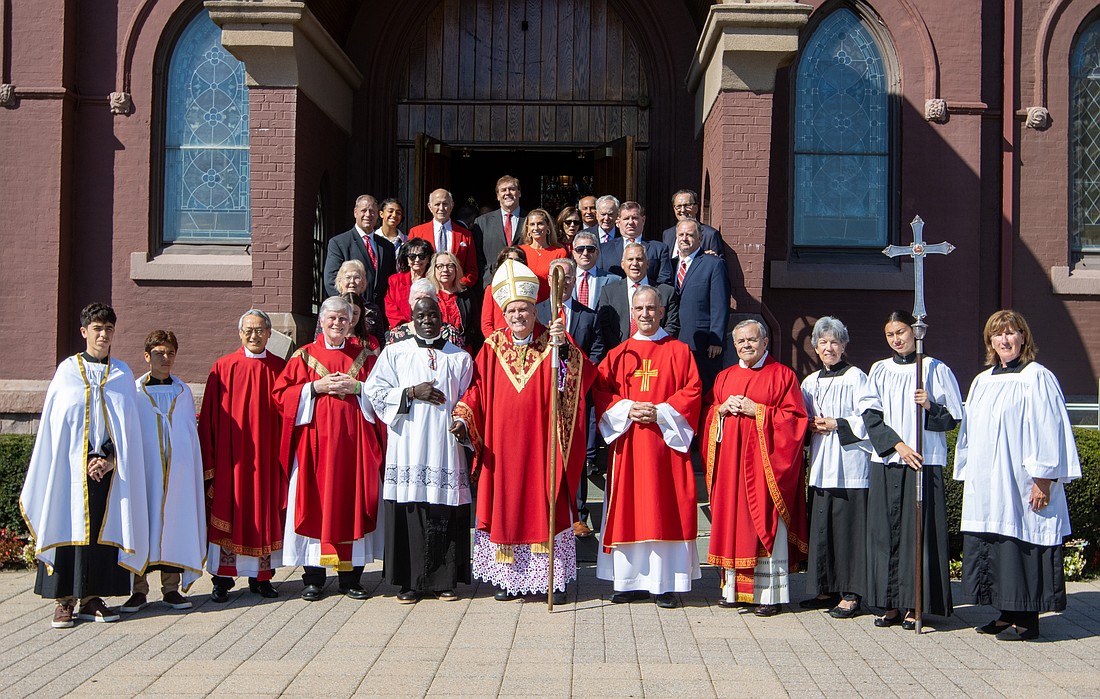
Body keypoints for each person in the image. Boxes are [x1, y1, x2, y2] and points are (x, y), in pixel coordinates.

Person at [451, 260, 596, 603]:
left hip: (543, 443)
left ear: (535, 310)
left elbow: (581, 380)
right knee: (507, 503)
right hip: (503, 447)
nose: (518, 315)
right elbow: (478, 389)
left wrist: (565, 354)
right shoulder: (492, 347)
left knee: (545, 501)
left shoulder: (554, 340)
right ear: (504, 312)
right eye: (512, 310)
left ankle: (552, 580)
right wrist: (463, 414)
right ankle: (509, 578)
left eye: (525, 309)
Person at [21, 303, 149, 628]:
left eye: (108, 329)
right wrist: (82, 458)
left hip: (107, 472)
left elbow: (127, 430)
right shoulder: (66, 372)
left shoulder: (121, 375)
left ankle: (93, 598)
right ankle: (64, 600)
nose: (103, 334)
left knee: (101, 533)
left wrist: (108, 459)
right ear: (84, 332)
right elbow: (58, 425)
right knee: (68, 527)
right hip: (68, 471)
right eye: (97, 329)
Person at [955, 310, 1080, 640]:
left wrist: (1044, 478)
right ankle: (1004, 611)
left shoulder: (1037, 377)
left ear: (1024, 337)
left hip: (1023, 480)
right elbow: (970, 433)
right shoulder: (982, 381)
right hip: (989, 484)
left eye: (1011, 333)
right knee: (996, 543)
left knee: (1023, 541)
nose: (1004, 340)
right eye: (997, 335)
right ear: (990, 342)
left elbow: (1051, 428)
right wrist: (970, 474)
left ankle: (1027, 620)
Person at [593, 286, 702, 608]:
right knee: (630, 509)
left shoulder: (680, 352)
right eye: (639, 309)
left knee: (663, 508)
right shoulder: (618, 354)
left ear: (662, 311)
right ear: (632, 311)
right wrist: (627, 408)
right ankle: (628, 582)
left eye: (651, 309)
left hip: (665, 448)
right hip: (630, 446)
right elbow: (601, 391)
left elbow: (693, 391)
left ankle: (664, 584)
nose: (645, 314)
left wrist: (661, 411)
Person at [273, 296, 385, 602]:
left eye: (343, 319)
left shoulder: (365, 356)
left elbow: (381, 392)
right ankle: (313, 578)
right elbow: (281, 396)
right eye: (332, 318)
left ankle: (350, 578)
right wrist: (313, 388)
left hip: (355, 449)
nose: (337, 323)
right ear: (321, 321)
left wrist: (358, 388)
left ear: (351, 323)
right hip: (315, 449)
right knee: (314, 504)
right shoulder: (304, 356)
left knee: (352, 504)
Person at [365, 296, 474, 604]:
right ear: (411, 320)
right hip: (408, 446)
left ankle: (444, 580)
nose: (427, 320)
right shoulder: (394, 353)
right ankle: (409, 582)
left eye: (433, 315)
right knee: (411, 508)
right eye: (421, 315)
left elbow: (471, 397)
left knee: (443, 509)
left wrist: (464, 422)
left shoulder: (459, 357)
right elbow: (374, 391)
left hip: (445, 446)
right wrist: (412, 392)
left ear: (443, 318)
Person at [865, 310, 963, 630]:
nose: (897, 339)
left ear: (916, 331)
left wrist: (930, 406)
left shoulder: (934, 369)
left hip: (923, 463)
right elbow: (869, 415)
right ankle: (890, 603)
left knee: (916, 535)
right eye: (890, 334)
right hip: (890, 461)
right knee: (886, 535)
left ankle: (915, 604)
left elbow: (953, 418)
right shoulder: (879, 370)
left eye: (902, 332)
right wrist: (898, 446)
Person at [703, 320, 808, 616]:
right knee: (733, 523)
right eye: (740, 341)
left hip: (764, 469)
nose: (746, 345)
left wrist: (758, 411)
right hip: (731, 469)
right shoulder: (724, 377)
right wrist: (720, 411)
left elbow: (795, 420)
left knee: (763, 523)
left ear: (765, 342)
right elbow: (709, 414)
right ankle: (732, 590)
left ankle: (768, 595)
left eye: (752, 340)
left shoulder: (782, 375)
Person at [198, 309, 287, 602]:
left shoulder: (279, 368)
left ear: (269, 333)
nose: (254, 335)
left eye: (260, 330)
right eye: (248, 330)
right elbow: (209, 418)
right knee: (229, 512)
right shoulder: (223, 368)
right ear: (239, 333)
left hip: (266, 459)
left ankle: (261, 578)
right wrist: (209, 461)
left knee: (262, 514)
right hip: (231, 460)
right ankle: (222, 580)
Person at [799, 317, 880, 619]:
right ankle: (826, 587)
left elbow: (871, 417)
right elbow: (801, 419)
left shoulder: (857, 377)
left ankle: (852, 592)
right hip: (822, 463)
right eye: (823, 342)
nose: (828, 347)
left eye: (834, 342)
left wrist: (838, 423)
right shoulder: (810, 382)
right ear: (815, 347)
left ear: (844, 346)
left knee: (849, 531)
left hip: (850, 465)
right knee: (824, 529)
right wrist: (810, 426)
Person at [123, 330, 205, 614]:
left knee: (173, 525)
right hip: (144, 475)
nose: (166, 358)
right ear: (147, 356)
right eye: (159, 353)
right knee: (143, 524)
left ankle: (170, 589)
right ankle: (138, 590)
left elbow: (187, 435)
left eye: (170, 352)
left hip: (176, 477)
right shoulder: (134, 392)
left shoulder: (182, 392)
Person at [536, 258, 605, 537]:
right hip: (542, 396)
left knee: (575, 453)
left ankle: (578, 514)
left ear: (575, 280)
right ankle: (545, 509)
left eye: (568, 277)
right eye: (557, 276)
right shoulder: (537, 312)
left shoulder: (588, 315)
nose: (562, 282)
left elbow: (597, 353)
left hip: (576, 396)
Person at [670, 218, 730, 388]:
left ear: (700, 238)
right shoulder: (670, 264)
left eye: (690, 234)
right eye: (681, 234)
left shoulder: (714, 264)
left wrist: (716, 340)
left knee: (703, 389)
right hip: (674, 340)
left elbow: (720, 304)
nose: (684, 238)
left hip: (703, 344)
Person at [596, 242, 679, 349]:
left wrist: (655, 347)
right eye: (630, 259)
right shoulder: (609, 292)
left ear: (648, 264)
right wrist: (622, 349)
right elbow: (604, 326)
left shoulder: (666, 292)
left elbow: (672, 325)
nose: (634, 263)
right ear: (622, 264)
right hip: (620, 354)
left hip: (657, 352)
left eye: (639, 259)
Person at [323, 194, 397, 306]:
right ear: (355, 212)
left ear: (377, 215)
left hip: (380, 314)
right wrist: (348, 306)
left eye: (372, 211)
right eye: (364, 210)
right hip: (351, 311)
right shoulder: (339, 243)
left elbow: (392, 281)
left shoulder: (387, 246)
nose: (368, 215)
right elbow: (331, 280)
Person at [409, 188, 478, 288]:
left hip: (456, 292)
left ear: (452, 205)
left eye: (445, 204)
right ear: (430, 206)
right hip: (426, 291)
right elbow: (410, 265)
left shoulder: (465, 235)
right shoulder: (416, 233)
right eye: (437, 204)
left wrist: (459, 284)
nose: (441, 208)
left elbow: (472, 269)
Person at [599, 201, 672, 285]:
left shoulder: (659, 249)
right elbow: (600, 279)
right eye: (626, 218)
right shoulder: (603, 249)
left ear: (643, 220)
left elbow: (665, 281)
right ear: (618, 222)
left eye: (635, 218)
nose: (630, 222)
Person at [472, 175, 525, 287]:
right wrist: (486, 278)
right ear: (497, 196)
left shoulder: (530, 220)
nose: (508, 193)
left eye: (512, 189)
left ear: (519, 193)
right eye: (503, 190)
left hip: (523, 282)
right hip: (492, 283)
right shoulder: (482, 222)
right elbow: (477, 255)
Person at [387, 279, 466, 349]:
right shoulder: (395, 335)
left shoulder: (451, 333)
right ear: (410, 303)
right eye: (418, 298)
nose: (422, 303)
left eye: (426, 298)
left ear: (435, 302)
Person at [429, 250, 478, 351]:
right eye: (440, 266)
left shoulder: (466, 294)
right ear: (434, 270)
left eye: (450, 266)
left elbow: (474, 324)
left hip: (463, 349)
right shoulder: (429, 294)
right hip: (435, 349)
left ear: (456, 269)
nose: (445, 270)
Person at [518, 208, 569, 303]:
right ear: (527, 228)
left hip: (549, 306)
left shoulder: (559, 252)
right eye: (532, 224)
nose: (536, 228)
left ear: (548, 227)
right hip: (525, 306)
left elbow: (563, 283)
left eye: (540, 224)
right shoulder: (520, 251)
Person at [384, 237, 435, 328]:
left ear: (428, 259)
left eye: (422, 256)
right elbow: (390, 307)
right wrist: (407, 326)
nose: (417, 260)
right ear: (407, 259)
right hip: (401, 328)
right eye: (412, 257)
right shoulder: (395, 280)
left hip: (427, 328)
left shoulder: (433, 281)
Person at [479, 246, 526, 338]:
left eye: (518, 260)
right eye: (509, 260)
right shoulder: (492, 289)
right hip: (499, 341)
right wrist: (495, 343)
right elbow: (486, 324)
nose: (513, 263)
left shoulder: (528, 287)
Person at [660, 189, 722, 255]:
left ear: (696, 208)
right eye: (678, 206)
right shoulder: (667, 234)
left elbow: (719, 263)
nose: (683, 210)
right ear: (674, 209)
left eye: (687, 205)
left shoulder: (710, 234)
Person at [571, 230, 619, 311]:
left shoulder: (613, 280)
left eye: (590, 249)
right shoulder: (565, 279)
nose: (585, 253)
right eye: (580, 249)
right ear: (573, 253)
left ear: (597, 252)